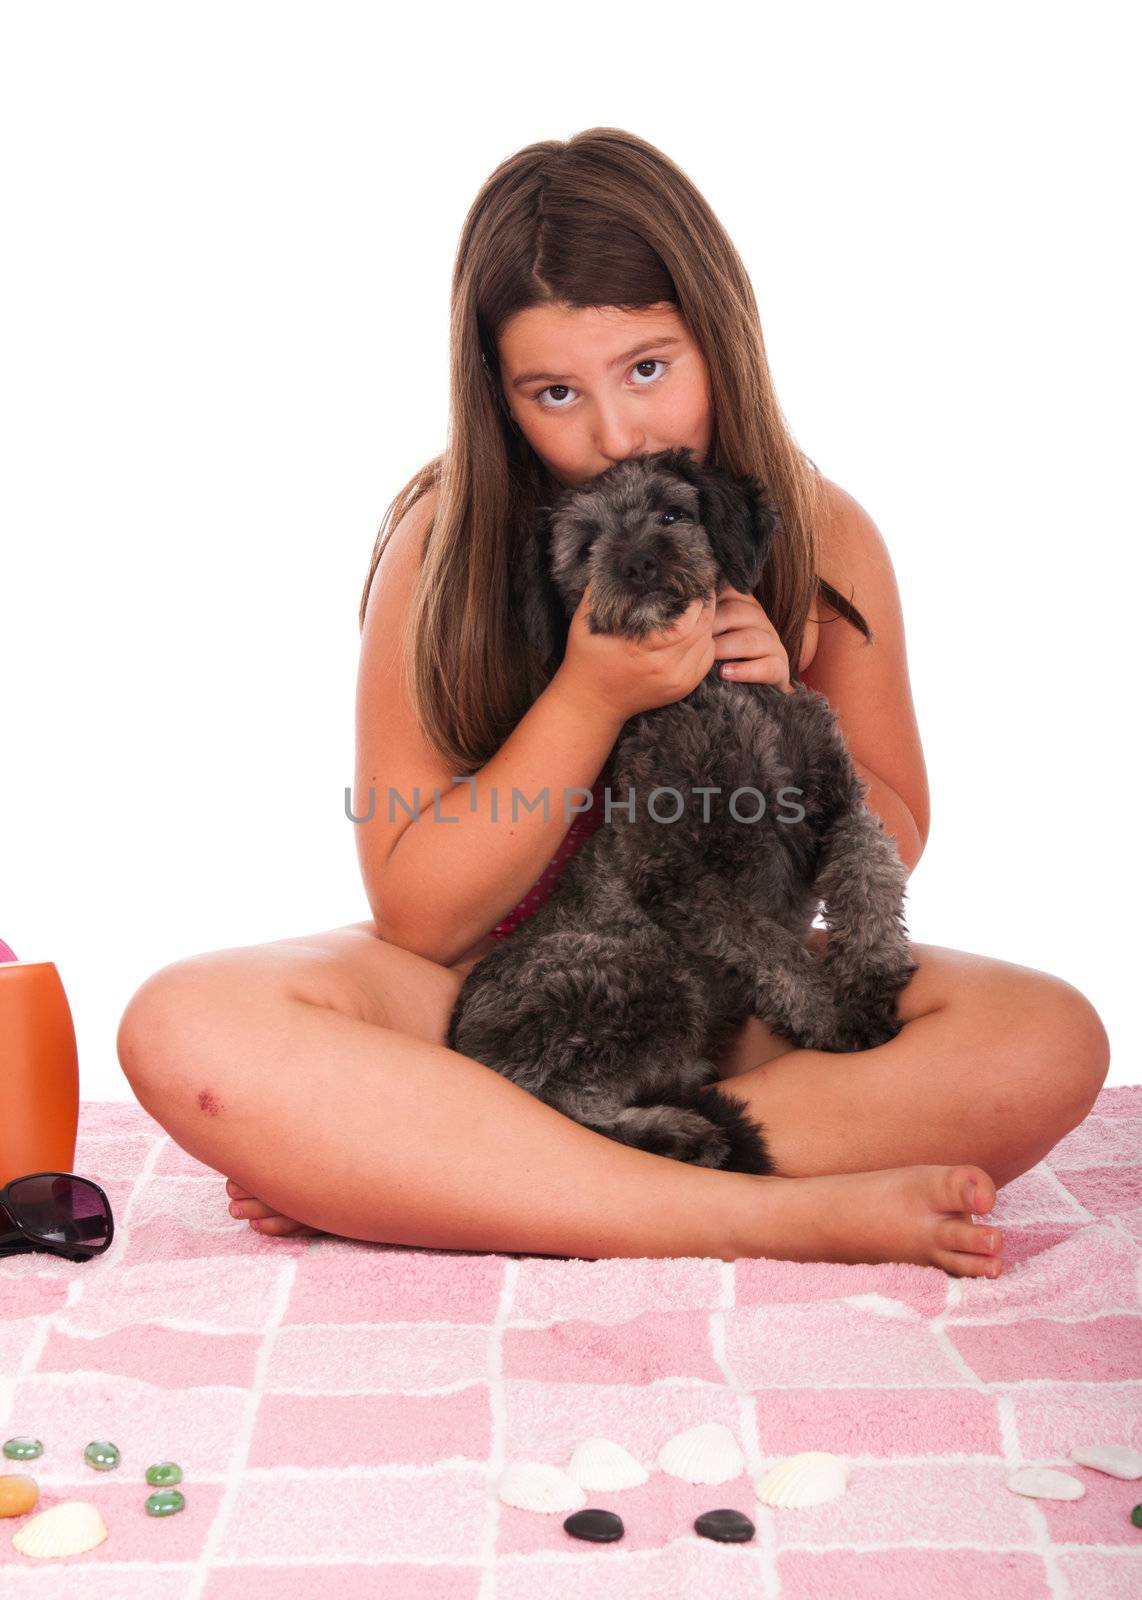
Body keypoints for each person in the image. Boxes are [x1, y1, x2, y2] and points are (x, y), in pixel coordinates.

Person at [115, 127, 1109, 1277]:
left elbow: (887, 841)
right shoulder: (444, 541)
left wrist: (781, 704)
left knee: (1040, 1040)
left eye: (647, 367)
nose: (612, 432)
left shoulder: (824, 533)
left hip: (717, 982)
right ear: (496, 393)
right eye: (553, 391)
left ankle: (452, 1169)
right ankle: (761, 1213)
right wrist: (589, 696)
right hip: (479, 991)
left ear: (718, 340)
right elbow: (418, 917)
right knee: (186, 1023)